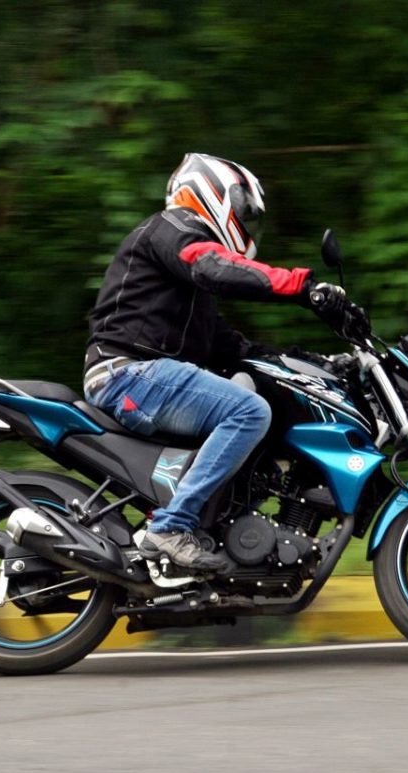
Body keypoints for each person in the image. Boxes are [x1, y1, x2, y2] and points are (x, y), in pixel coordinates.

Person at [83, 153, 347, 573]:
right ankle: (170, 528)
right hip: (126, 373)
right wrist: (301, 286)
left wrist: (316, 364)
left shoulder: (188, 288)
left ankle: (225, 523)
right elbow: (213, 267)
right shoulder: (172, 230)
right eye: (244, 210)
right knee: (247, 410)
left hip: (149, 375)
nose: (247, 223)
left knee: (252, 387)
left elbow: (233, 348)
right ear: (211, 191)